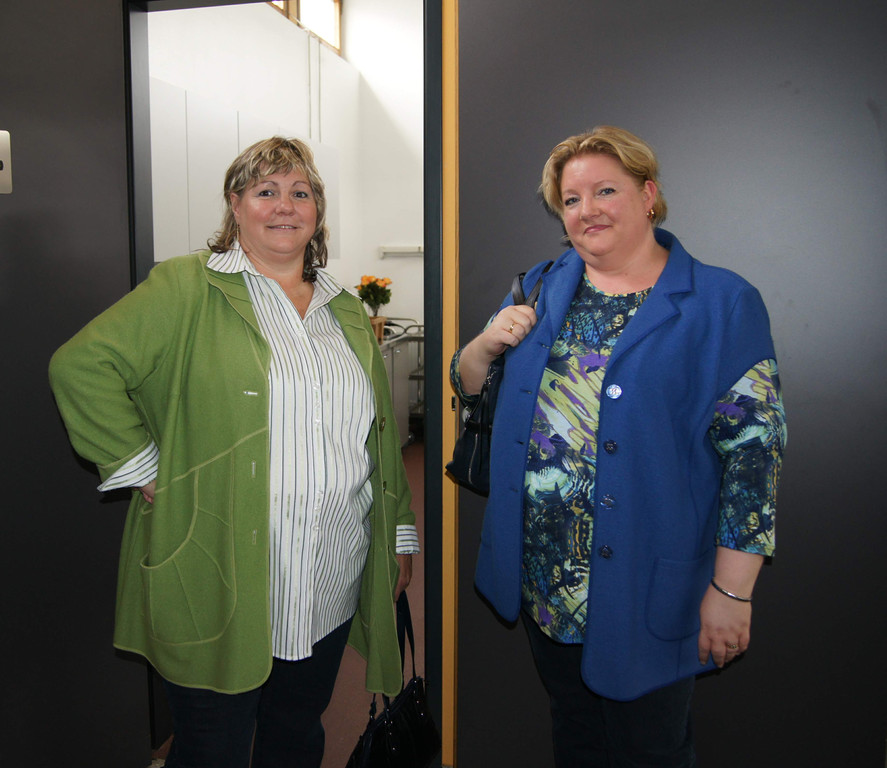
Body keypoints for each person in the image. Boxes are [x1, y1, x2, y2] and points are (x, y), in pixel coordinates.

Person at [49, 137, 418, 768]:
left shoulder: (347, 311)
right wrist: (147, 469)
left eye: (300, 192)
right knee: (211, 747)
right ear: (235, 204)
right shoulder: (187, 287)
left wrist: (400, 533)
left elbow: (376, 436)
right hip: (219, 569)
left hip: (328, 570)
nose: (284, 205)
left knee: (296, 734)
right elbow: (82, 365)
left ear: (318, 210)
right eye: (265, 191)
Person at [450, 126, 786, 766]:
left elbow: (754, 457)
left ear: (648, 195)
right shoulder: (542, 285)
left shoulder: (721, 302)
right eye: (571, 200)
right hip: (546, 583)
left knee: (649, 750)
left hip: (648, 586)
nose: (588, 210)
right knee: (575, 736)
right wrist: (483, 346)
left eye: (605, 191)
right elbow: (467, 385)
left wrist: (733, 591)